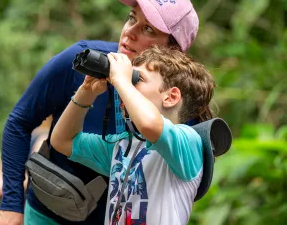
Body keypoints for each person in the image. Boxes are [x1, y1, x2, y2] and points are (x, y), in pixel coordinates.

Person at [0, 0, 201, 225]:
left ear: (172, 51)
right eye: (131, 18)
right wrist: (10, 204)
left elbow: (173, 181)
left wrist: (123, 82)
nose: (129, 32)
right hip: (49, 209)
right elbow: (21, 122)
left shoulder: (182, 105)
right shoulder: (85, 57)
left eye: (148, 29)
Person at [51, 46, 226, 224]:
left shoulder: (188, 141)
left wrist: (122, 80)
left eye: (137, 79)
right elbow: (62, 141)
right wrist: (87, 91)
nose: (124, 87)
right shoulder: (123, 146)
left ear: (170, 97)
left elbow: (150, 125)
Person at [0, 116, 52, 208]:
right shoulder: (39, 136)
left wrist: (2, 188)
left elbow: (33, 177)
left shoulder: (41, 137)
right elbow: (1, 170)